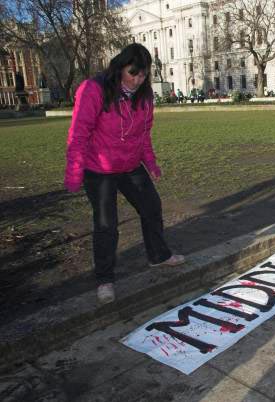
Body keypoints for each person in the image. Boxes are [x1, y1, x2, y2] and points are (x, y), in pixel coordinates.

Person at [64, 43, 185, 304]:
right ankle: (105, 278)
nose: (138, 80)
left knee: (152, 207)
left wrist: (150, 163)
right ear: (120, 67)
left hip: (130, 165)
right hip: (100, 168)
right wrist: (75, 171)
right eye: (133, 73)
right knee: (106, 224)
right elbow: (78, 134)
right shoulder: (94, 89)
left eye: (143, 75)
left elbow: (144, 135)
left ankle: (158, 255)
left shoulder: (145, 96)